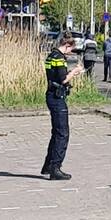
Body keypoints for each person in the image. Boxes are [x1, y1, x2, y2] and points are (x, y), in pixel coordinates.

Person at [41, 33, 85, 180]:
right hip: (57, 97)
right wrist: (74, 72)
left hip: (51, 95)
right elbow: (62, 79)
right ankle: (55, 168)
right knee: (62, 133)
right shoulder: (59, 58)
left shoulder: (51, 55)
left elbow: (53, 75)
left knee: (56, 132)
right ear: (66, 45)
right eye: (70, 49)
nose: (70, 52)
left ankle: (48, 165)